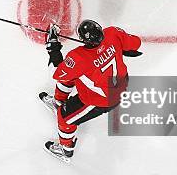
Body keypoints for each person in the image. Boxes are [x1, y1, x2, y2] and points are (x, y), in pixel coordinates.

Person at [40, 19, 142, 162]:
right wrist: (122, 49)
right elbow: (136, 43)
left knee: (64, 118)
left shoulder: (78, 58)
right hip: (120, 84)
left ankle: (65, 150)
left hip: (102, 100)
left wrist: (53, 48)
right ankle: (58, 102)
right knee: (68, 77)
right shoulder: (113, 33)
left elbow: (55, 72)